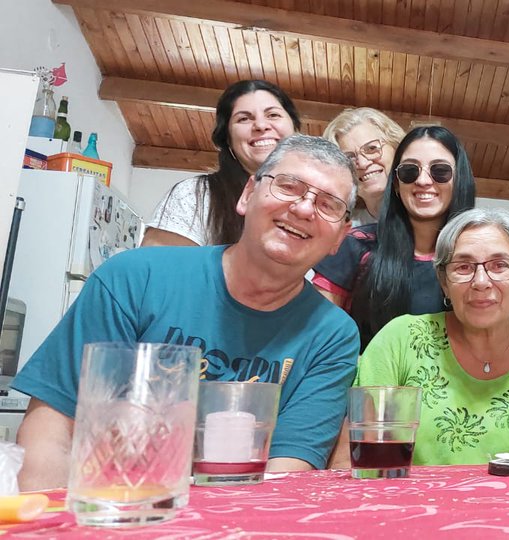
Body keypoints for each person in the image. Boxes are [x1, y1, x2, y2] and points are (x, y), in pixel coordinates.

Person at [13, 135, 361, 490]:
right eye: (288, 186)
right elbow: (53, 431)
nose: (303, 209)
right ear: (248, 195)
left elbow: (286, 473)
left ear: (340, 237)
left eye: (328, 204)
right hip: (112, 511)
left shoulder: (332, 334)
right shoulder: (135, 277)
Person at [332, 208, 509, 466]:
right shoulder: (401, 341)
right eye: (463, 267)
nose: (480, 281)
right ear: (444, 281)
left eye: (500, 265)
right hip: (405, 505)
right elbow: (350, 462)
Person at [312, 126, 476, 350]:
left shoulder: (480, 259)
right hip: (369, 383)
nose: (423, 181)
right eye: (410, 171)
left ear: (459, 181)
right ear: (397, 184)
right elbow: (317, 338)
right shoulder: (355, 246)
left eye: (440, 170)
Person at [143, 79, 301, 246]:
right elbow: (161, 267)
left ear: (295, 128)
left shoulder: (317, 197)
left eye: (273, 115)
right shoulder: (196, 195)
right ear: (227, 139)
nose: (261, 125)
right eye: (244, 119)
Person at [323, 107, 406, 225]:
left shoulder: (427, 214)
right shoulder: (342, 229)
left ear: (396, 147)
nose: (362, 163)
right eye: (349, 157)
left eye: (371, 148)